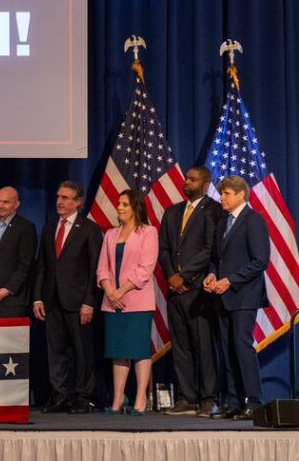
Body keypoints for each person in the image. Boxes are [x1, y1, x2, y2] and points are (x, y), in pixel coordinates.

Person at [33, 180, 104, 414]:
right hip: (52, 300)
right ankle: (60, 396)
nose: (59, 202)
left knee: (82, 353)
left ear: (78, 203)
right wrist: (38, 298)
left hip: (78, 301)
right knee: (56, 353)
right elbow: (42, 264)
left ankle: (84, 397)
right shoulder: (50, 226)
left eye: (65, 198)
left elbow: (95, 268)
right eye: (58, 197)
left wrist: (89, 301)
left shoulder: (89, 229)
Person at [158, 166, 223, 417]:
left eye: (193, 179)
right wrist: (172, 277)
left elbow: (210, 249)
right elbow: (164, 249)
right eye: (186, 178)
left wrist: (184, 276)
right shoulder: (172, 212)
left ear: (206, 184)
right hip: (175, 291)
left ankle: (209, 398)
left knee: (204, 346)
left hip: (198, 291)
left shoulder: (215, 211)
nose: (187, 182)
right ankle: (188, 397)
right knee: (181, 346)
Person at [204, 175, 270, 421]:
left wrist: (230, 280)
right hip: (221, 297)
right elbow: (216, 258)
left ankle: (253, 402)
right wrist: (211, 275)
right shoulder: (223, 223)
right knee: (227, 349)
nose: (222, 197)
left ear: (241, 194)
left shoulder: (254, 221)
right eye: (222, 193)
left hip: (243, 296)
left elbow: (260, 261)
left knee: (241, 347)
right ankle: (233, 402)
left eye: (226, 193)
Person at [96, 189, 159, 415]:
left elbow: (145, 269)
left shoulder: (148, 233)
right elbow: (102, 268)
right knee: (118, 350)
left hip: (138, 301)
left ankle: (141, 399)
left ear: (135, 208)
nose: (119, 208)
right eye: (118, 204)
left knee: (139, 349)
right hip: (112, 302)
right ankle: (117, 399)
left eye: (124, 204)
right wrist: (111, 292)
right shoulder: (111, 234)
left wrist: (121, 291)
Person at [0, 186, 38, 318]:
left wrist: (8, 290)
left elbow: (26, 264)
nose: (0, 205)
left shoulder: (26, 228)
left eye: (6, 202)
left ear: (17, 204)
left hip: (13, 300)